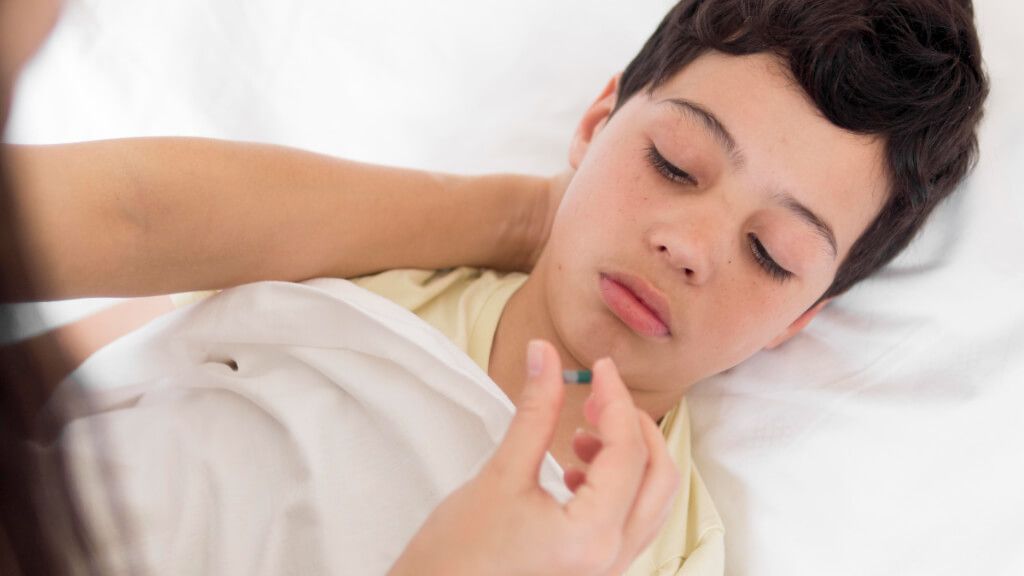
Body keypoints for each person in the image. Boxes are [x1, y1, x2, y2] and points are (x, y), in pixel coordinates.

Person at [2, 0, 988, 574]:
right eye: (676, 164)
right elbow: (120, 236)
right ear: (596, 122)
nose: (686, 244)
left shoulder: (659, 548)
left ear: (800, 320)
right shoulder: (355, 264)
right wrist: (524, 215)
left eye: (771, 252)